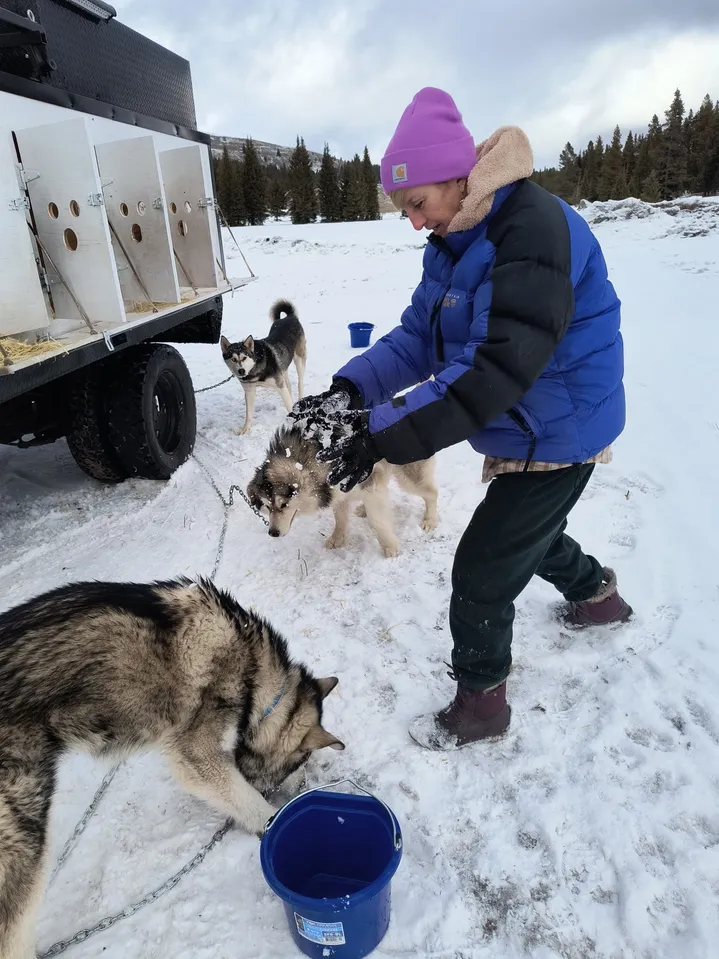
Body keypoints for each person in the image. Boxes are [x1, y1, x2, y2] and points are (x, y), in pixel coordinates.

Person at [290, 87, 632, 751]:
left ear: (455, 178)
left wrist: (377, 436)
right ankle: (597, 599)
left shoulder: (531, 231)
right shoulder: (455, 241)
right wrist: (346, 391)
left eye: (416, 204)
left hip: (562, 425)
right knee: (525, 534)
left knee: (482, 569)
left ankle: (481, 707)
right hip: (532, 420)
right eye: (403, 212)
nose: (414, 222)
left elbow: (492, 371)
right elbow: (419, 336)